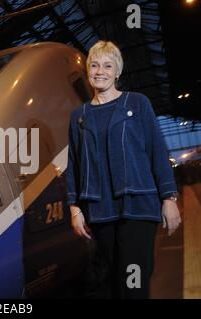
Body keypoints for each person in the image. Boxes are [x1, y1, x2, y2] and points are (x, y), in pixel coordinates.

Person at [65, 40, 181, 299]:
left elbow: (157, 151)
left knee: (133, 280)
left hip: (138, 206)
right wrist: (75, 209)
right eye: (94, 65)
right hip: (100, 211)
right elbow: (74, 164)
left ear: (118, 72)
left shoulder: (137, 103)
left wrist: (169, 198)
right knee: (118, 279)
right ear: (87, 70)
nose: (100, 71)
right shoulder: (79, 116)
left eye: (108, 66)